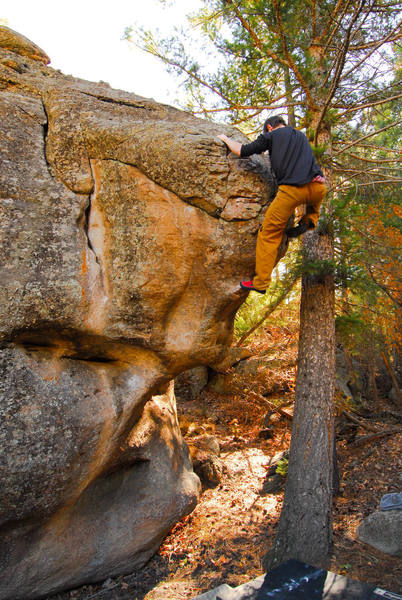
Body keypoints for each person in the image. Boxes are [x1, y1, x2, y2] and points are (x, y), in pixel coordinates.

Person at [218, 116, 326, 294]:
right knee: (313, 205)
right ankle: (310, 220)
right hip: (318, 187)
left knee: (268, 233)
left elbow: (242, 150)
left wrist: (225, 139)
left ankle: (260, 283)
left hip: (292, 191)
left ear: (269, 127)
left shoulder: (271, 136)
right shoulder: (300, 136)